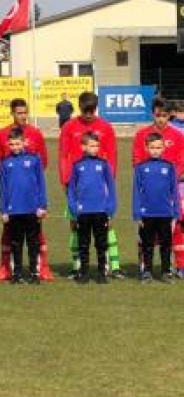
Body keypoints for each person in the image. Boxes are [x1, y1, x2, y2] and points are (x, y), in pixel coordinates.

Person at [59, 92, 123, 278]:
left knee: (107, 225)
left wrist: (109, 182)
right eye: (85, 111)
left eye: (92, 111)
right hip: (77, 185)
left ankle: (114, 266)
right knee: (75, 225)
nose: (89, 114)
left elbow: (112, 155)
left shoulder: (106, 127)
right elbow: (63, 155)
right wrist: (65, 181)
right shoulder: (69, 127)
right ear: (79, 108)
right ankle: (77, 266)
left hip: (99, 185)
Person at [0, 98, 54, 282]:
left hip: (31, 200)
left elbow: (41, 162)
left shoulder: (36, 133)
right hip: (13, 200)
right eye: (19, 113)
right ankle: (7, 268)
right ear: (12, 113)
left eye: (25, 112)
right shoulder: (3, 134)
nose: (23, 116)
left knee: (35, 236)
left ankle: (41, 268)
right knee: (11, 236)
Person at [132, 97, 184, 276]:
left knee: (174, 227)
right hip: (148, 192)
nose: (161, 119)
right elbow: (137, 160)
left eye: (164, 115)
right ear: (152, 114)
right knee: (145, 231)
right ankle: (143, 266)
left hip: (171, 189)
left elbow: (180, 160)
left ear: (169, 115)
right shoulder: (141, 135)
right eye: (157, 115)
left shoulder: (177, 135)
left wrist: (170, 181)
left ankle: (178, 265)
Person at [0, 127, 48, 284]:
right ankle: (17, 273)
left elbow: (41, 183)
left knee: (33, 243)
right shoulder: (5, 163)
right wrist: (4, 210)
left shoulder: (34, 159)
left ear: (23, 142)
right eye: (11, 144)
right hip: (14, 210)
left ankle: (34, 273)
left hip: (32, 209)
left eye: (17, 143)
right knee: (16, 244)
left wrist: (43, 205)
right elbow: (3, 188)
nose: (14, 147)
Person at [67, 131, 117, 284]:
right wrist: (74, 208)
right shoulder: (77, 166)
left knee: (101, 244)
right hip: (83, 212)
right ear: (83, 147)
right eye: (92, 145)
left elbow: (111, 186)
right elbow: (71, 189)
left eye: (97, 145)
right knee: (84, 244)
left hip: (100, 211)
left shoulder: (103, 164)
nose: (95, 148)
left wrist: (110, 207)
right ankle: (84, 273)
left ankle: (102, 273)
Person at [133, 133, 180, 282]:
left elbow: (175, 191)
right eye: (152, 147)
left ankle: (166, 272)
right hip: (146, 213)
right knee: (147, 245)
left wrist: (176, 213)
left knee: (166, 244)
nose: (155, 150)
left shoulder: (169, 166)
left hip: (165, 213)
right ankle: (147, 271)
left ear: (163, 148)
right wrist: (137, 214)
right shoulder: (140, 168)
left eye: (158, 147)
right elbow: (136, 192)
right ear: (146, 148)